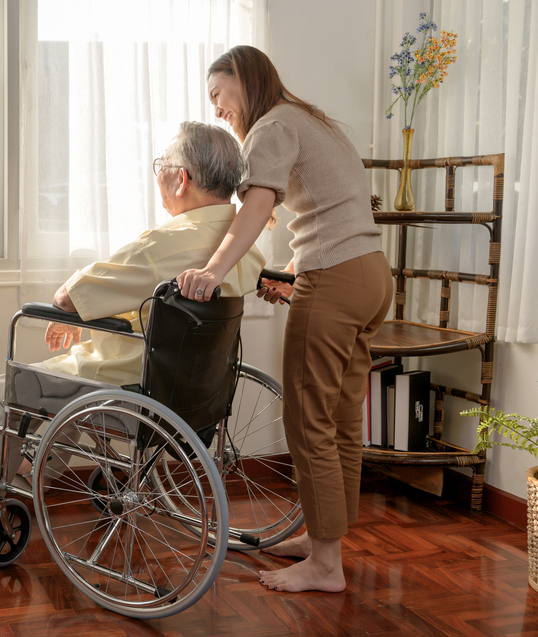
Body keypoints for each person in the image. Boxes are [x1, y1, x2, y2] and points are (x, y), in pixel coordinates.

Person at [0, 121, 266, 510]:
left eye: (162, 166)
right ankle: (27, 477)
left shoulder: (165, 244)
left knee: (8, 389)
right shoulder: (246, 247)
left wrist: (72, 311)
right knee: (65, 379)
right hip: (197, 395)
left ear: (181, 179)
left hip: (129, 388)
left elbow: (67, 297)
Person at [177, 45, 393, 593]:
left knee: (307, 419)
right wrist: (294, 267)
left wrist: (212, 268)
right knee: (341, 419)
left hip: (335, 281)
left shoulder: (270, 127)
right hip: (370, 276)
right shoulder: (310, 120)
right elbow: (334, 205)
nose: (218, 108)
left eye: (218, 95)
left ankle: (324, 566)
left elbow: (256, 207)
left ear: (243, 81)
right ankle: (325, 543)